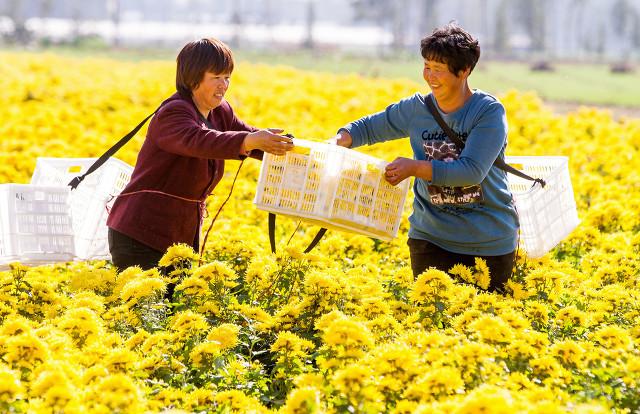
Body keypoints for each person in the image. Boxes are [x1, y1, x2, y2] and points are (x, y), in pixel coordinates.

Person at [331, 23, 517, 293]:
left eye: (439, 69)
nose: (430, 76)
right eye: (427, 66)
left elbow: (471, 171)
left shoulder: (487, 112)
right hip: (430, 240)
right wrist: (337, 141)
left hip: (487, 243)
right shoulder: (417, 109)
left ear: (464, 71)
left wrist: (414, 167)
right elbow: (367, 128)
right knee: (429, 322)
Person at [107, 38, 294, 272]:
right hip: (140, 235)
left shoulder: (220, 111)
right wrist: (248, 141)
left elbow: (249, 136)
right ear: (193, 77)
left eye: (227, 78)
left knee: (172, 308)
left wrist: (291, 150)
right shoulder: (174, 113)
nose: (224, 85)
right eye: (216, 77)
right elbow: (198, 140)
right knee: (148, 308)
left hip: (178, 238)